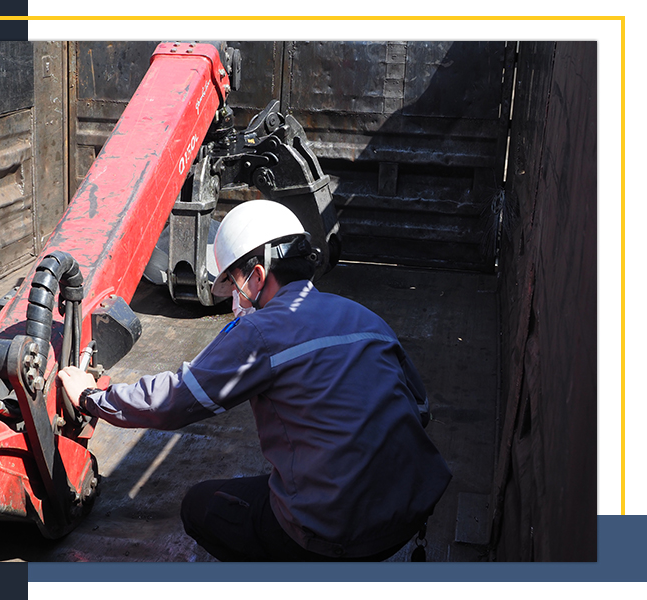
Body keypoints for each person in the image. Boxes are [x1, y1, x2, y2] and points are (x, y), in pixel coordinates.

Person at [58, 199, 452, 561]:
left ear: (258, 275)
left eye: (233, 284)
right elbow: (419, 408)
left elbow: (176, 399)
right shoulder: (367, 318)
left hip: (333, 532)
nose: (234, 298)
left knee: (200, 506)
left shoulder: (261, 331)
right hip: (408, 512)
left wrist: (92, 396)